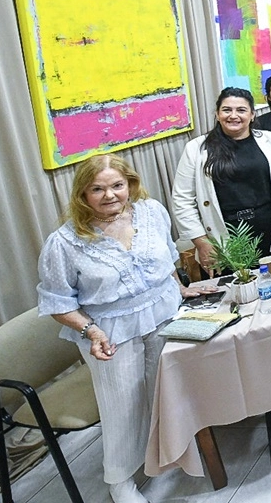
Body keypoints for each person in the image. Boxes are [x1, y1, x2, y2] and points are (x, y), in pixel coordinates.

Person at [38, 155, 213, 503]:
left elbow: (164, 262)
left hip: (165, 315)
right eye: (97, 189)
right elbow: (58, 303)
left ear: (129, 184)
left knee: (167, 389)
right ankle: (120, 483)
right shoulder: (65, 242)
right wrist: (90, 330)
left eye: (117, 185)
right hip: (111, 331)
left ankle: (170, 454)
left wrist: (180, 288)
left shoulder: (151, 211)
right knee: (122, 406)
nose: (110, 195)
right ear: (82, 194)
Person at [172, 87, 271, 270]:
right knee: (234, 294)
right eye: (227, 110)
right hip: (223, 241)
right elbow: (182, 199)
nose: (233, 116)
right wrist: (201, 242)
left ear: (253, 115)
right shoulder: (196, 148)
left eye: (241, 110)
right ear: (217, 114)